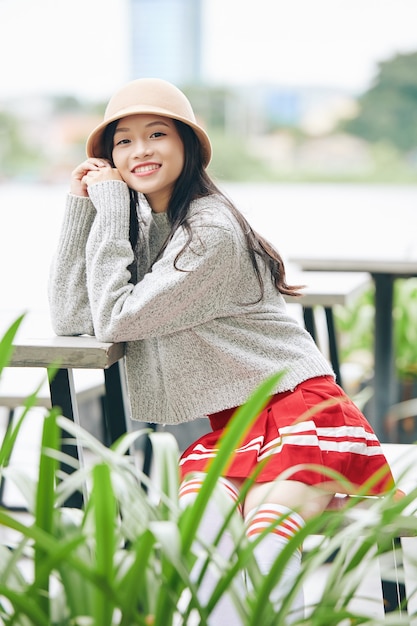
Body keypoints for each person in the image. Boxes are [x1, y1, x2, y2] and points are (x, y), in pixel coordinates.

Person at [48, 78, 398, 624]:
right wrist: (82, 209)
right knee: (199, 542)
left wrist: (112, 207)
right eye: (123, 141)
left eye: (156, 134)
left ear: (188, 145)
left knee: (263, 550)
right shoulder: (151, 229)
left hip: (301, 413)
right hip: (237, 429)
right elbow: (74, 319)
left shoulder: (210, 231)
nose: (139, 150)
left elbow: (118, 318)